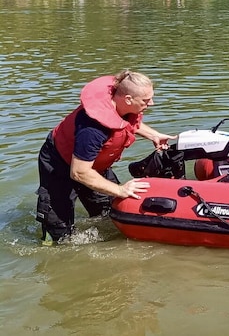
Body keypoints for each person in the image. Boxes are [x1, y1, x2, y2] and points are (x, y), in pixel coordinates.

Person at [36, 70, 175, 244]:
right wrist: (120, 189)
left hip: (93, 165)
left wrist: (153, 135)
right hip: (60, 163)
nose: (152, 103)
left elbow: (125, 124)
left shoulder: (123, 106)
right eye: (146, 100)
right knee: (59, 232)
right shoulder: (92, 130)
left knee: (108, 213)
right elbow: (79, 172)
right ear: (128, 99)